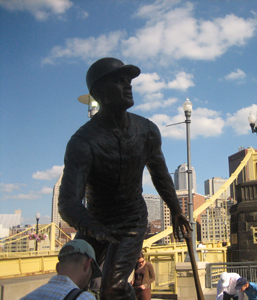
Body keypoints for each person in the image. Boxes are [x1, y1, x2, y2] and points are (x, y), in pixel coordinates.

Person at [58, 57, 191, 300]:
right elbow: (68, 202)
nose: (128, 86)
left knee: (113, 287)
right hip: (95, 221)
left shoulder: (147, 130)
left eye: (128, 81)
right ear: (98, 92)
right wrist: (96, 230)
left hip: (131, 221)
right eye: (119, 81)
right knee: (66, 282)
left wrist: (176, 209)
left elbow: (160, 175)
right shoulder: (82, 142)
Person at [21, 240, 102, 300]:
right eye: (93, 270)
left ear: (57, 267)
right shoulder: (84, 298)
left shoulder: (28, 297)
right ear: (87, 265)